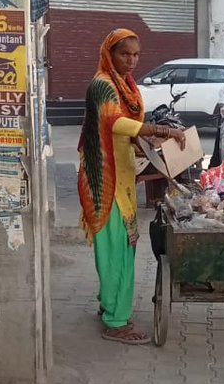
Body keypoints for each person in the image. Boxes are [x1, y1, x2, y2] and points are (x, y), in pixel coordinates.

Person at [78, 29, 186, 345]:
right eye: (125, 54)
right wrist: (158, 129)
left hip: (122, 177)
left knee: (124, 245)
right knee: (115, 249)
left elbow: (124, 131)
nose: (132, 60)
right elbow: (113, 123)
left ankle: (109, 303)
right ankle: (115, 322)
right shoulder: (102, 85)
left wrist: (146, 145)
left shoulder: (125, 84)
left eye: (136, 54)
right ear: (109, 54)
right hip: (104, 181)